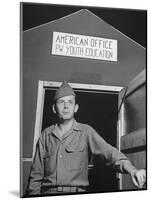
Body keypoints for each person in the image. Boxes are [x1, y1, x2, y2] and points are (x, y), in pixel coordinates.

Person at [26, 81, 146, 195]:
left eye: (70, 102)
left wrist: (132, 170)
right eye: (61, 102)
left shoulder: (86, 131)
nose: (66, 106)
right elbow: (36, 176)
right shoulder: (46, 135)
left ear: (76, 108)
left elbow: (109, 152)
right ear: (54, 108)